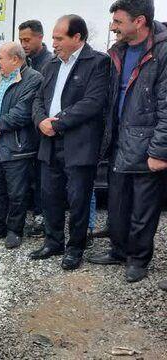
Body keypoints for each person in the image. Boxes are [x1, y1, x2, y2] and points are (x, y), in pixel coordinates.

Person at [89, 0, 167, 284]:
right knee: (118, 204)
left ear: (140, 21)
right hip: (119, 141)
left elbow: (166, 107)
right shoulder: (117, 52)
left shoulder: (162, 52)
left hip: (147, 147)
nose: (113, 27)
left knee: (143, 209)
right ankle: (119, 250)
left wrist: (159, 151)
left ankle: (138, 258)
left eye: (118, 22)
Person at [29, 15, 110, 270]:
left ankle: (75, 247)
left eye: (59, 38)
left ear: (77, 38)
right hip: (50, 143)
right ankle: (54, 242)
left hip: (78, 144)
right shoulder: (52, 65)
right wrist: (41, 120)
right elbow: (38, 100)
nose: (54, 43)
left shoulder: (98, 62)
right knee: (50, 195)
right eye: (53, 37)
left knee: (78, 199)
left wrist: (57, 122)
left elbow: (93, 103)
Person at [0, 42, 43, 249]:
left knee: (17, 193)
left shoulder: (33, 79)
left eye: (0, 58)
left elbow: (22, 112)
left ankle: (14, 230)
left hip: (17, 149)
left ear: (15, 59)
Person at [19, 19, 53, 238]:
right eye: (21, 40)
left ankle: (43, 219)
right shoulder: (24, 62)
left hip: (43, 130)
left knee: (44, 178)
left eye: (27, 39)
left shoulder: (50, 63)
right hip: (26, 131)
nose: (23, 44)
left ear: (40, 37)